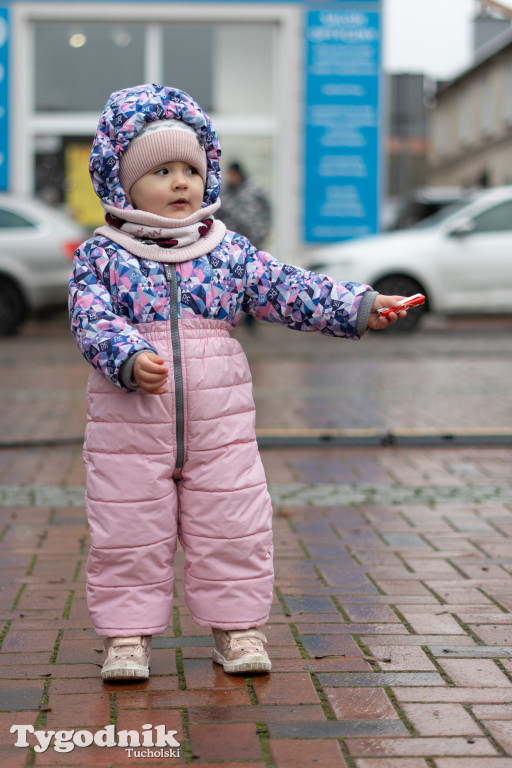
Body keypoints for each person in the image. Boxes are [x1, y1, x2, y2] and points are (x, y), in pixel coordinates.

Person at [69, 83, 407, 683]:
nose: (181, 183)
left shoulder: (226, 253)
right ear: (121, 182)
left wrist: (358, 306)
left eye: (191, 170)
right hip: (128, 427)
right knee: (127, 530)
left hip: (219, 427)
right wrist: (125, 355)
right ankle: (126, 637)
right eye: (161, 170)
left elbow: (289, 287)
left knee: (232, 522)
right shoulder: (103, 256)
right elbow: (90, 316)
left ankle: (238, 628)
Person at [220, 161, 271, 250]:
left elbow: (267, 210)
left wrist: (262, 231)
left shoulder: (254, 190)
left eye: (233, 174)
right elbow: (219, 217)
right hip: (232, 244)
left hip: (254, 240)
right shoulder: (224, 195)